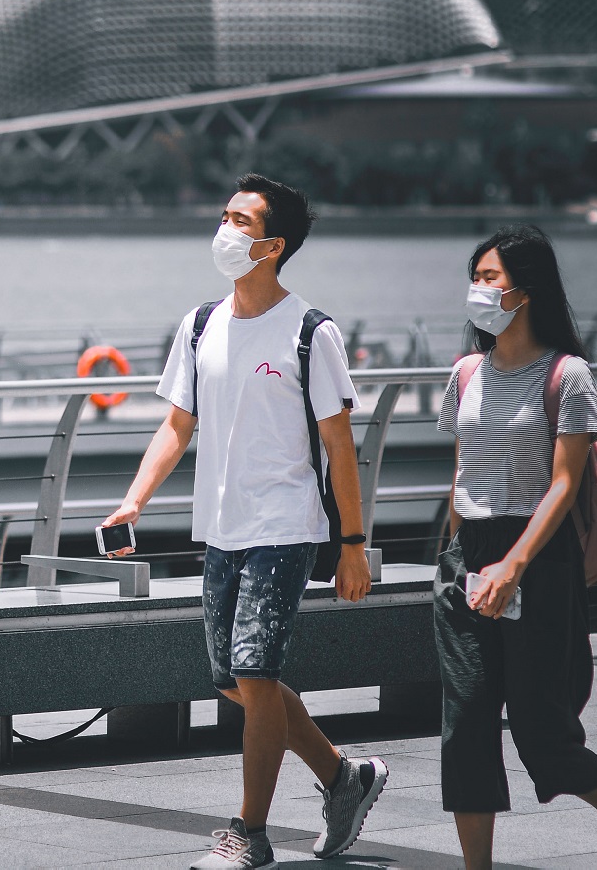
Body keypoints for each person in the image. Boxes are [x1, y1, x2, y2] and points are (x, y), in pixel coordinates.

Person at [103, 174, 387, 869]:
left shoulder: (310, 332)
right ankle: (344, 777)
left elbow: (339, 448)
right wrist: (134, 499)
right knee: (232, 680)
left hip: (285, 526)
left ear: (272, 246)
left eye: (241, 220)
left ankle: (249, 835)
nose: (225, 230)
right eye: (225, 214)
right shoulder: (201, 324)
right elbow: (177, 423)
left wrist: (353, 544)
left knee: (256, 675)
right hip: (221, 528)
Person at [435, 225, 597, 870]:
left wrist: (514, 565)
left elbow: (563, 485)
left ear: (526, 290)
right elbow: (464, 472)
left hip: (536, 556)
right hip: (468, 557)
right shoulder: (466, 374)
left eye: (490, 277)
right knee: (466, 723)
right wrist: (454, 558)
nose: (477, 289)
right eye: (474, 277)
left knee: (542, 730)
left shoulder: (568, 376)